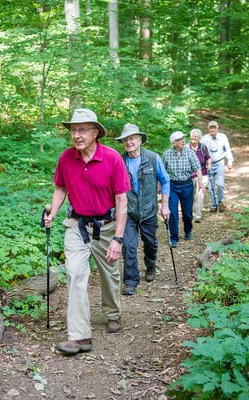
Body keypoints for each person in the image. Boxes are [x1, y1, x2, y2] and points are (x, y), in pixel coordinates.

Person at [43, 108, 130, 355]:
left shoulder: (112, 158)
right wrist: (53, 213)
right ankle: (80, 337)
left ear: (95, 133)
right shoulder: (66, 158)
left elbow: (122, 201)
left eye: (82, 130)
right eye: (73, 130)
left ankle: (112, 313)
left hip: (106, 226)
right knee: (74, 272)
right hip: (77, 224)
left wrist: (118, 239)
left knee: (110, 274)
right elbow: (60, 188)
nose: (76, 135)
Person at [115, 123, 170, 295]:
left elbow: (165, 180)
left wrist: (165, 205)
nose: (128, 142)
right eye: (125, 139)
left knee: (151, 243)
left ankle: (151, 264)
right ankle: (130, 281)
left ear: (140, 139)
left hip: (148, 210)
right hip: (128, 211)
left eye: (131, 138)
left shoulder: (153, 158)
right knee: (129, 246)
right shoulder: (120, 161)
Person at [162, 131, 204, 246]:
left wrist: (200, 183)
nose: (183, 141)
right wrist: (159, 187)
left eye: (184, 139)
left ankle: (188, 230)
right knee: (173, 212)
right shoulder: (167, 154)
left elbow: (198, 169)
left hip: (187, 185)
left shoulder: (190, 153)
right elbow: (163, 173)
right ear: (174, 143)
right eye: (180, 139)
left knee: (187, 213)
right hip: (172, 186)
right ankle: (173, 238)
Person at [200, 121, 234, 212]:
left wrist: (230, 161)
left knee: (220, 184)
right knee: (211, 186)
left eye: (214, 127)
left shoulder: (223, 137)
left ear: (217, 128)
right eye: (211, 128)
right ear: (208, 129)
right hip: (209, 164)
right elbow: (200, 151)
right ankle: (214, 204)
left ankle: (221, 202)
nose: (212, 129)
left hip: (220, 162)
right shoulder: (204, 138)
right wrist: (203, 164)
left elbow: (227, 149)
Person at [187, 128, 211, 223]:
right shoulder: (186, 148)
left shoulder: (203, 147)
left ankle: (198, 215)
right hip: (190, 175)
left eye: (196, 136)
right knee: (191, 195)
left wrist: (209, 164)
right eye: (192, 136)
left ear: (199, 138)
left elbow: (208, 158)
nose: (194, 138)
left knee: (200, 194)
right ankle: (191, 212)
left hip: (203, 173)